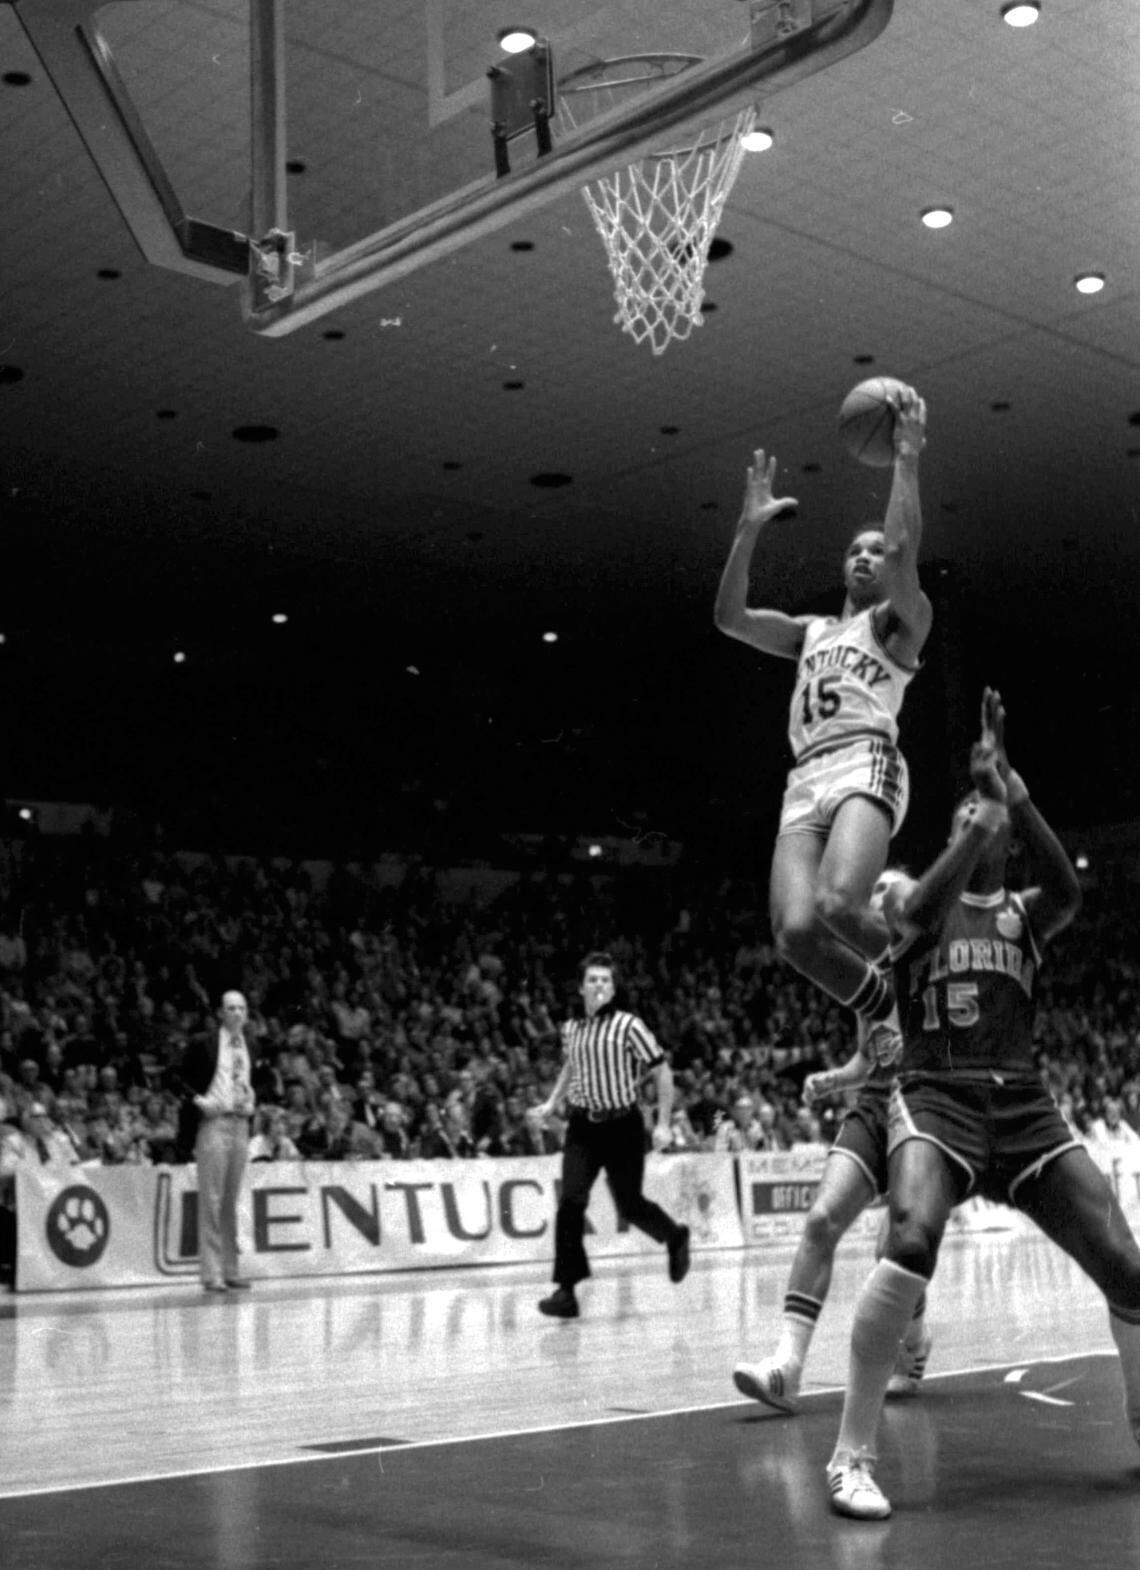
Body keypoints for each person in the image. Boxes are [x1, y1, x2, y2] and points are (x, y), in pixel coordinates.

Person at [826, 691, 1140, 1520]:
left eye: (985, 813)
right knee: (910, 1238)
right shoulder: (910, 902)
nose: (977, 814)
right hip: (937, 1099)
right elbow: (916, 912)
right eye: (965, 812)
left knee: (1128, 1265)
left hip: (1024, 1106)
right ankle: (850, 1457)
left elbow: (1068, 890)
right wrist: (978, 819)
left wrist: (1019, 797)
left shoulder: (1023, 913)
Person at [713, 385, 930, 1063]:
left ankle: (945, 983)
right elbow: (730, 618)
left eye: (875, 550)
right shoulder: (810, 631)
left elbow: (903, 551)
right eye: (855, 551)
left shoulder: (898, 624)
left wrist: (906, 457)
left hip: (866, 761)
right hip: (806, 778)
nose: (866, 556)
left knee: (840, 903)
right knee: (795, 932)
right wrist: (748, 528)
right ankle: (889, 1013)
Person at [733, 871, 932, 1416]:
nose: (876, 896)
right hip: (875, 1102)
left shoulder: (939, 963)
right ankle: (786, 1367)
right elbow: (869, 1057)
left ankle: (916, 1342)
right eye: (872, 890)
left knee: (895, 1247)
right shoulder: (864, 975)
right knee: (822, 1220)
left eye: (888, 887)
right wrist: (833, 1080)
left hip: (927, 1108)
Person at [533, 950, 691, 1319]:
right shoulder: (571, 1029)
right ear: (581, 988)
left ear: (614, 988)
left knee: (630, 1205)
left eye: (605, 980)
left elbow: (662, 1070)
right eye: (593, 979)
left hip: (622, 1126)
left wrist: (663, 1123)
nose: (599, 985)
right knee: (571, 1201)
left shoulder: (629, 1025)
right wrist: (553, 1101)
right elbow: (572, 1065)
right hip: (582, 1126)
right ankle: (566, 1291)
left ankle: (674, 1236)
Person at [176, 990, 257, 1293]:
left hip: (241, 1123)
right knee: (211, 1198)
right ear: (220, 1013)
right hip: (214, 1123)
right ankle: (212, 1273)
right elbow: (176, 1077)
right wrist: (200, 1101)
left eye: (241, 1008)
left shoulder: (251, 1044)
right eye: (231, 1008)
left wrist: (253, 1100)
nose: (237, 1013)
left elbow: (252, 1081)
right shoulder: (204, 1043)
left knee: (230, 1200)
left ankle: (230, 1269)